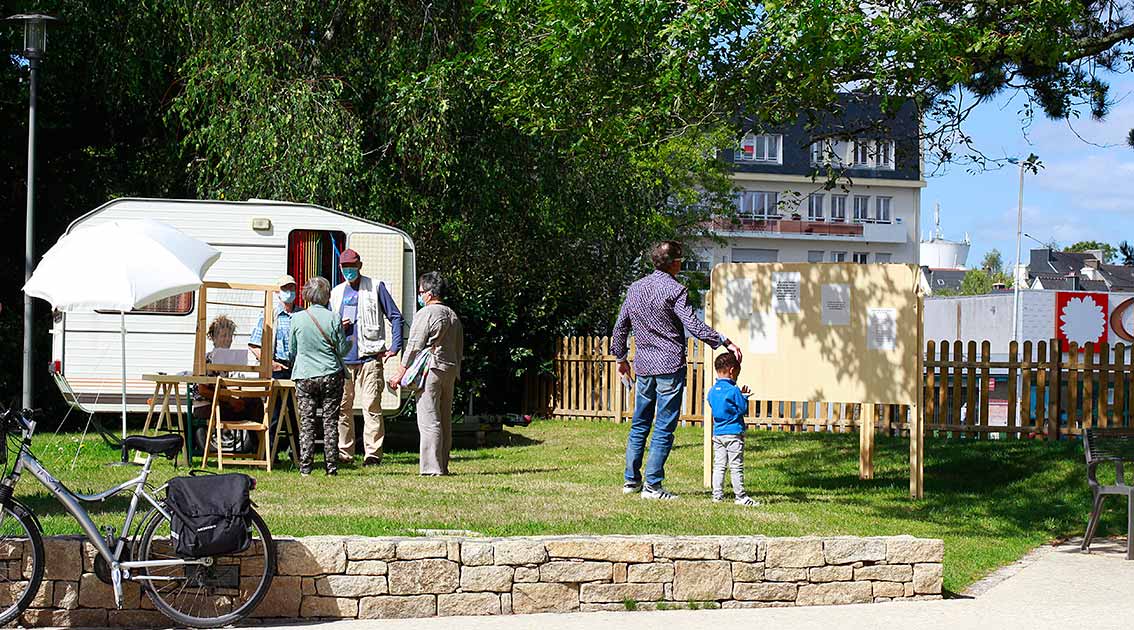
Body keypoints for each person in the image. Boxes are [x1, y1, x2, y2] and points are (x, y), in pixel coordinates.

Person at [610, 240, 743, 500]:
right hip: (670, 365)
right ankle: (653, 486)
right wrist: (723, 341)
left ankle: (631, 481)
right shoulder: (676, 290)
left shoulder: (635, 288)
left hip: (645, 365)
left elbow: (620, 326)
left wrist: (620, 358)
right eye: (680, 260)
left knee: (639, 424)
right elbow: (693, 325)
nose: (681, 264)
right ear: (674, 264)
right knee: (663, 427)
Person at [330, 249, 404, 466]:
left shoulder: (376, 287)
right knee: (343, 408)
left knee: (371, 405)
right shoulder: (336, 293)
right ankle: (345, 453)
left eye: (352, 266)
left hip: (370, 357)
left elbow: (396, 317)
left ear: (360, 266)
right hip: (343, 360)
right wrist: (338, 327)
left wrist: (395, 346)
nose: (348, 271)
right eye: (344, 267)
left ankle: (372, 454)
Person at [387, 272, 464, 476]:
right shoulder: (453, 315)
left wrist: (399, 374)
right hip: (449, 370)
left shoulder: (427, 314)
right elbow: (458, 348)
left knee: (429, 420)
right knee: (445, 420)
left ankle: (431, 468)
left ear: (429, 294)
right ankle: (443, 465)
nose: (420, 296)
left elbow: (414, 346)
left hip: (431, 369)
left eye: (421, 292)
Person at [288, 277, 351, 476]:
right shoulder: (334, 318)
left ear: (306, 295)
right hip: (331, 373)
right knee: (330, 421)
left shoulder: (297, 318)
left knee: (306, 422)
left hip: (305, 374)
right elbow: (342, 349)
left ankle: (305, 467)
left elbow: (292, 350)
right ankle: (331, 467)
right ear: (327, 296)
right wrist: (349, 339)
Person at [707, 352, 759, 507]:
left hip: (718, 434)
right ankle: (740, 496)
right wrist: (744, 397)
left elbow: (712, 404)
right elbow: (742, 409)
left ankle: (717, 495)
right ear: (732, 370)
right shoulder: (734, 390)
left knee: (719, 465)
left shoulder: (712, 391)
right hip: (734, 433)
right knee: (736, 466)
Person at [249, 274, 299, 379]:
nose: (289, 291)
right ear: (277, 291)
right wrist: (270, 364)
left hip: (298, 369)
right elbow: (254, 345)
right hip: (276, 370)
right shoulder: (269, 315)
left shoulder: (302, 314)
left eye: (291, 287)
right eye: (284, 288)